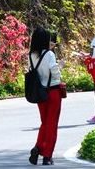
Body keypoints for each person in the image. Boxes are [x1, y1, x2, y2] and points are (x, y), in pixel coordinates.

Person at [28, 27, 63, 166]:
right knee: (52, 124)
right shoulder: (49, 54)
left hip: (39, 92)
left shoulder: (31, 55)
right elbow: (55, 73)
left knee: (44, 122)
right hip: (53, 91)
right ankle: (47, 155)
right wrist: (60, 67)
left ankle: (38, 147)